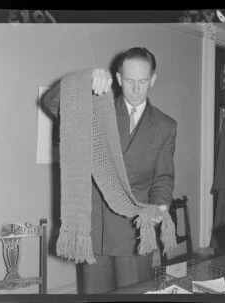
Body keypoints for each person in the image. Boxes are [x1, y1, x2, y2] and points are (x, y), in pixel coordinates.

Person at [43, 47, 177, 294]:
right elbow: (51, 102)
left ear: (153, 80)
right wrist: (84, 79)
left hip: (135, 233)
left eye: (143, 81)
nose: (136, 89)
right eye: (129, 81)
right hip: (97, 233)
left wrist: (160, 207)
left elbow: (163, 177)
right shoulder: (96, 110)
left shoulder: (166, 126)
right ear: (117, 79)